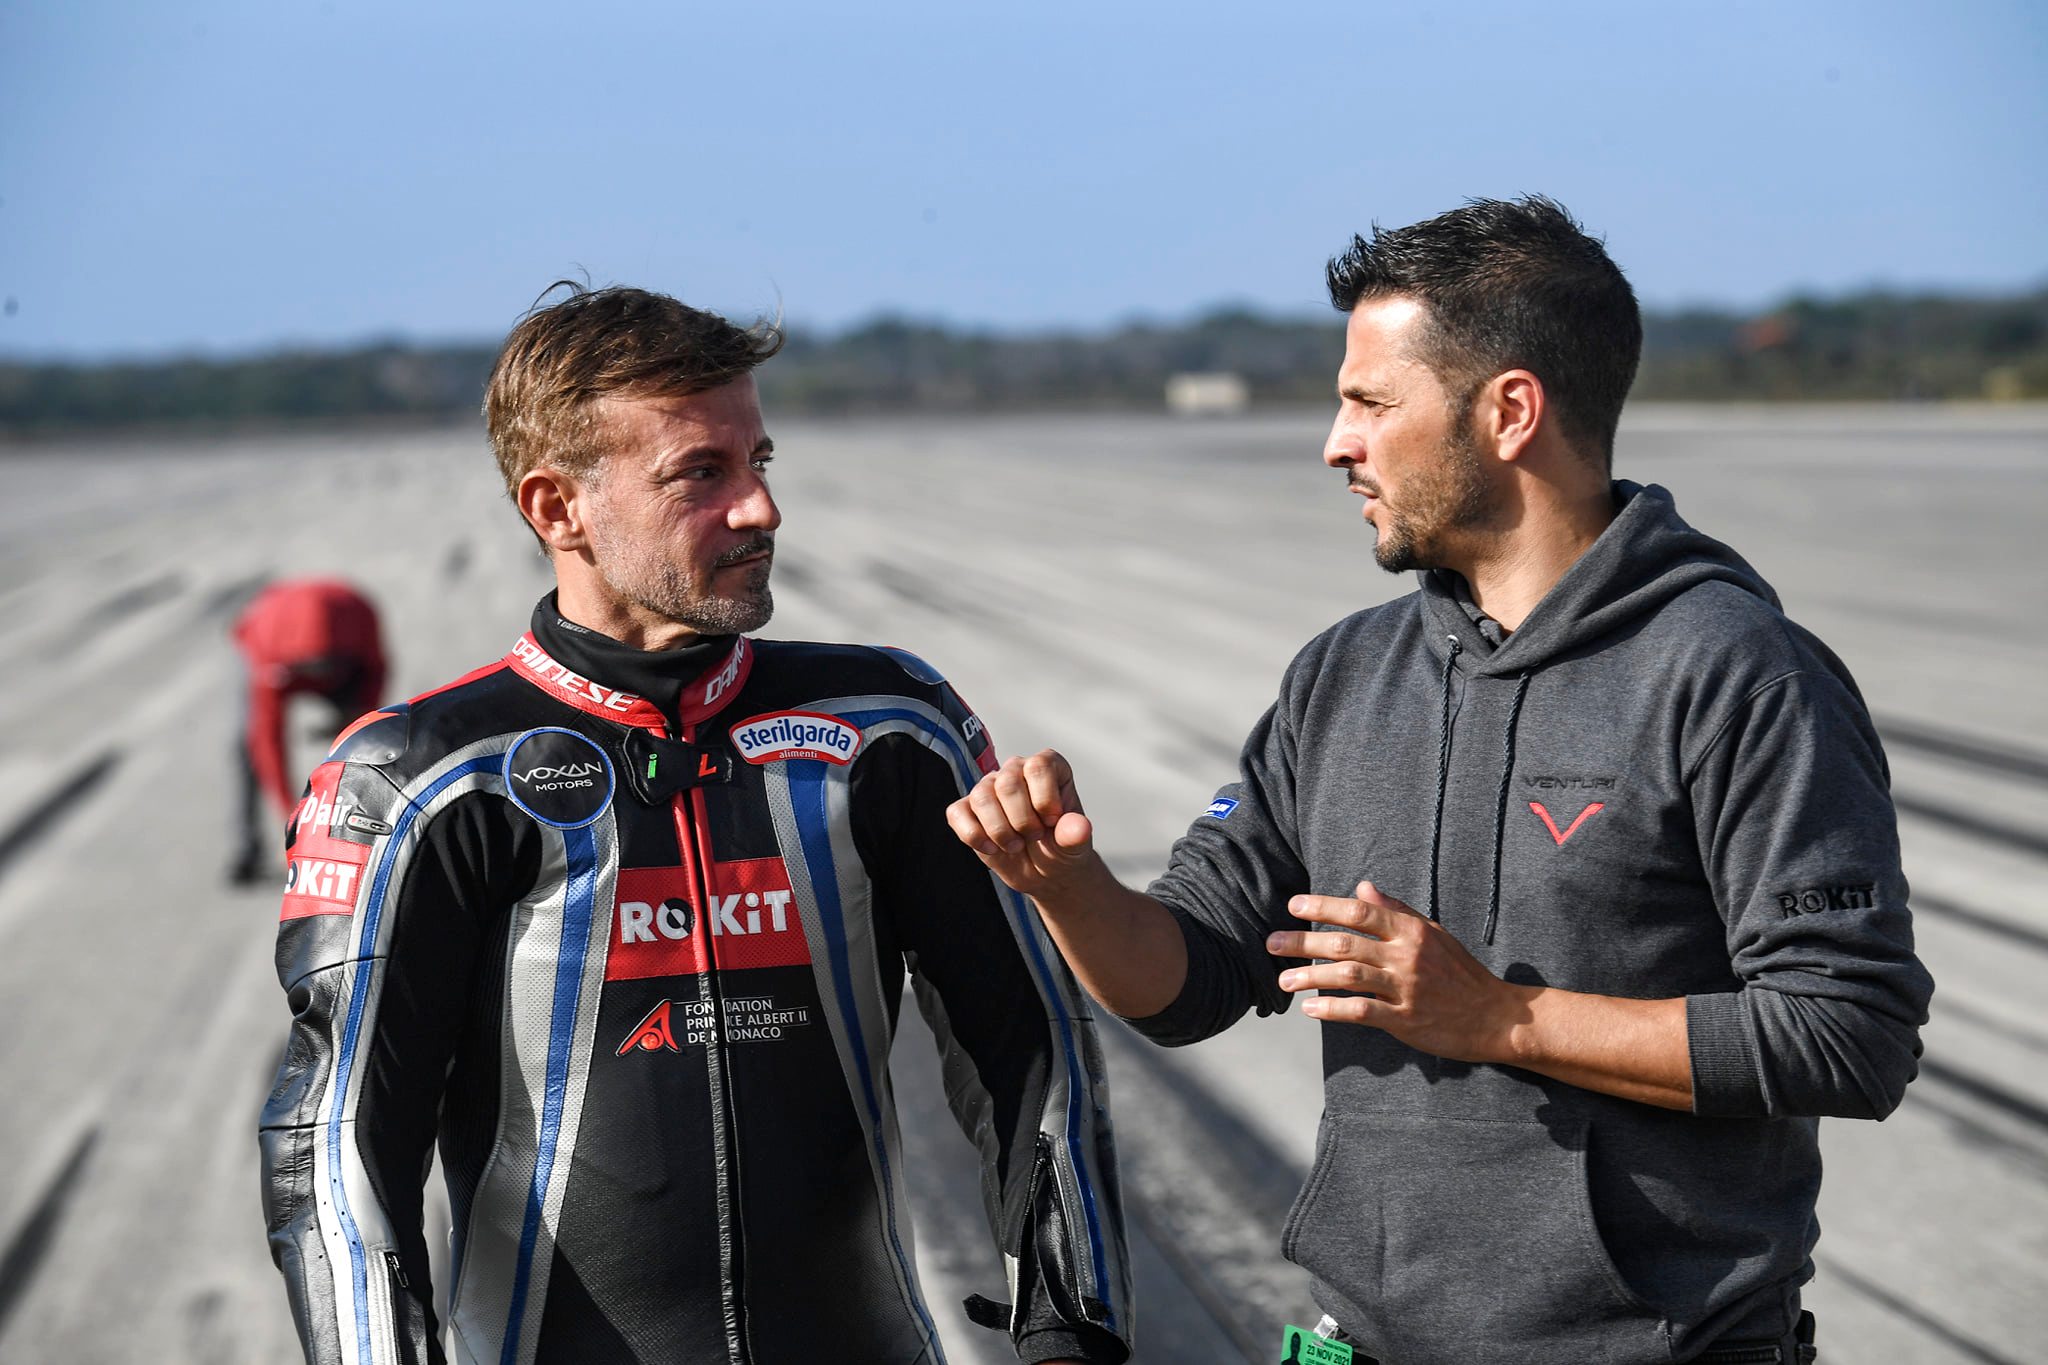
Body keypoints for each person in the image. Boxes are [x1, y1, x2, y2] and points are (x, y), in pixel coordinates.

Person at [949, 198, 1930, 1365]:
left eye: (1369, 402)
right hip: (1353, 1344)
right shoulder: (1341, 676)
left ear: (1509, 411)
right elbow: (1189, 980)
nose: (1334, 442)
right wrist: (1066, 885)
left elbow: (1845, 1034)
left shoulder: (1732, 672)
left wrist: (1497, 1018)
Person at [257, 285, 1130, 1365]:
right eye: (700, 474)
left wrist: (1071, 1335)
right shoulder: (420, 780)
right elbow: (338, 1141)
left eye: (758, 461)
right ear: (556, 507)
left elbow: (1029, 1044)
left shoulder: (888, 730)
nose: (760, 509)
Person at [229, 577, 386, 884]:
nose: (321, 677)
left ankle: (366, 830)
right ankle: (246, 847)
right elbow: (267, 738)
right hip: (275, 648)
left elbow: (376, 672)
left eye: (327, 668)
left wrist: (358, 721)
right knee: (247, 749)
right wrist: (290, 810)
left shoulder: (360, 619)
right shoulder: (266, 644)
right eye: (313, 669)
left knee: (364, 739)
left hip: (341, 651)